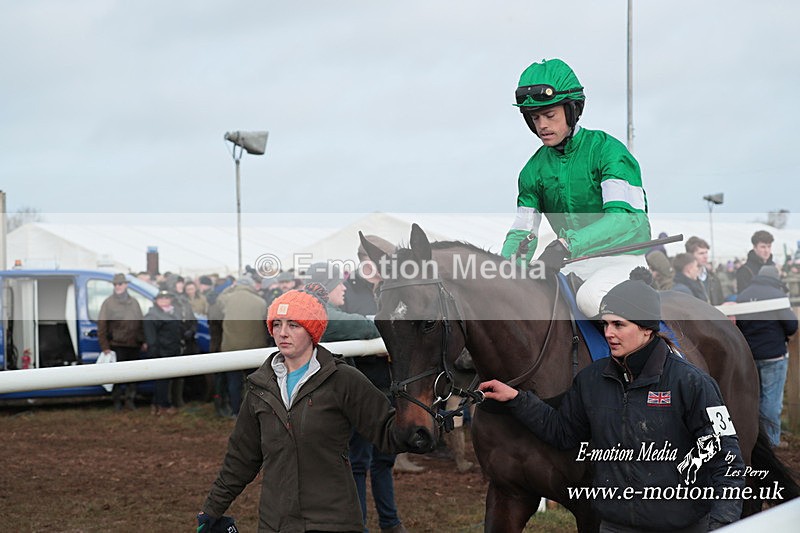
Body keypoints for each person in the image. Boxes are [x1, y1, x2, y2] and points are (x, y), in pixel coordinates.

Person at [479, 279, 745, 531]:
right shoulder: (591, 380)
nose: (609, 333)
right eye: (605, 324)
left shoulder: (693, 383)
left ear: (646, 328)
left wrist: (722, 522)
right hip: (615, 526)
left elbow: (727, 458)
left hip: (682, 526)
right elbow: (562, 432)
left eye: (619, 324)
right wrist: (517, 399)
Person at [198, 284, 407, 533]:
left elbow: (388, 430)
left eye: (293, 325)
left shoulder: (344, 380)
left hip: (334, 521)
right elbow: (241, 458)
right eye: (277, 324)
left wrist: (426, 418)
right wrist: (212, 510)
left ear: (312, 330)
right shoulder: (259, 387)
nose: (283, 333)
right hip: (276, 523)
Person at [500, 58, 651, 318]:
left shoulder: (608, 151)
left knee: (590, 299)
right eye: (534, 118)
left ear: (572, 111)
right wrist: (503, 274)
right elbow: (522, 234)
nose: (542, 125)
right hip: (572, 265)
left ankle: (665, 352)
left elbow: (625, 220)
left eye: (550, 115)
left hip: (622, 260)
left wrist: (567, 244)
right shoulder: (532, 171)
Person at [735, 265, 798, 447]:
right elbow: (791, 325)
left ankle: (754, 440)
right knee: (771, 400)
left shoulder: (744, 295)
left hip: (750, 356)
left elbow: (741, 325)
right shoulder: (778, 295)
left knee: (753, 397)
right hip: (773, 356)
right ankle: (771, 442)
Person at [218, 275, 269, 416]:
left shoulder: (227, 299)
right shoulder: (261, 301)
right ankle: (256, 411)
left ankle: (235, 411)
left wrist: (231, 287)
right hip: (255, 348)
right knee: (255, 382)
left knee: (234, 382)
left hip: (231, 348)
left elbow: (218, 299)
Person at [97, 273, 145, 410]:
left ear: (126, 285)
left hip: (134, 345)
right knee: (117, 377)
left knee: (133, 376)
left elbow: (140, 323)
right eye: (115, 284)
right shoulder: (108, 303)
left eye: (120, 284)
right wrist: (105, 347)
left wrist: (143, 341)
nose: (118, 286)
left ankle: (130, 400)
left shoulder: (134, 302)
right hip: (117, 346)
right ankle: (117, 402)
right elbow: (102, 326)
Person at [143, 290, 183, 415]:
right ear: (156, 301)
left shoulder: (173, 312)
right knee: (162, 382)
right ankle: (163, 406)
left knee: (165, 382)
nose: (165, 301)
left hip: (172, 352)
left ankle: (157, 405)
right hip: (161, 353)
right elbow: (151, 339)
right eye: (162, 298)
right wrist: (156, 355)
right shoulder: (152, 316)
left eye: (167, 298)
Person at [685, 236, 725, 305]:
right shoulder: (684, 280)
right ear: (690, 255)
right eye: (701, 253)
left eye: (706, 252)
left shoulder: (714, 279)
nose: (705, 256)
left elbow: (720, 302)